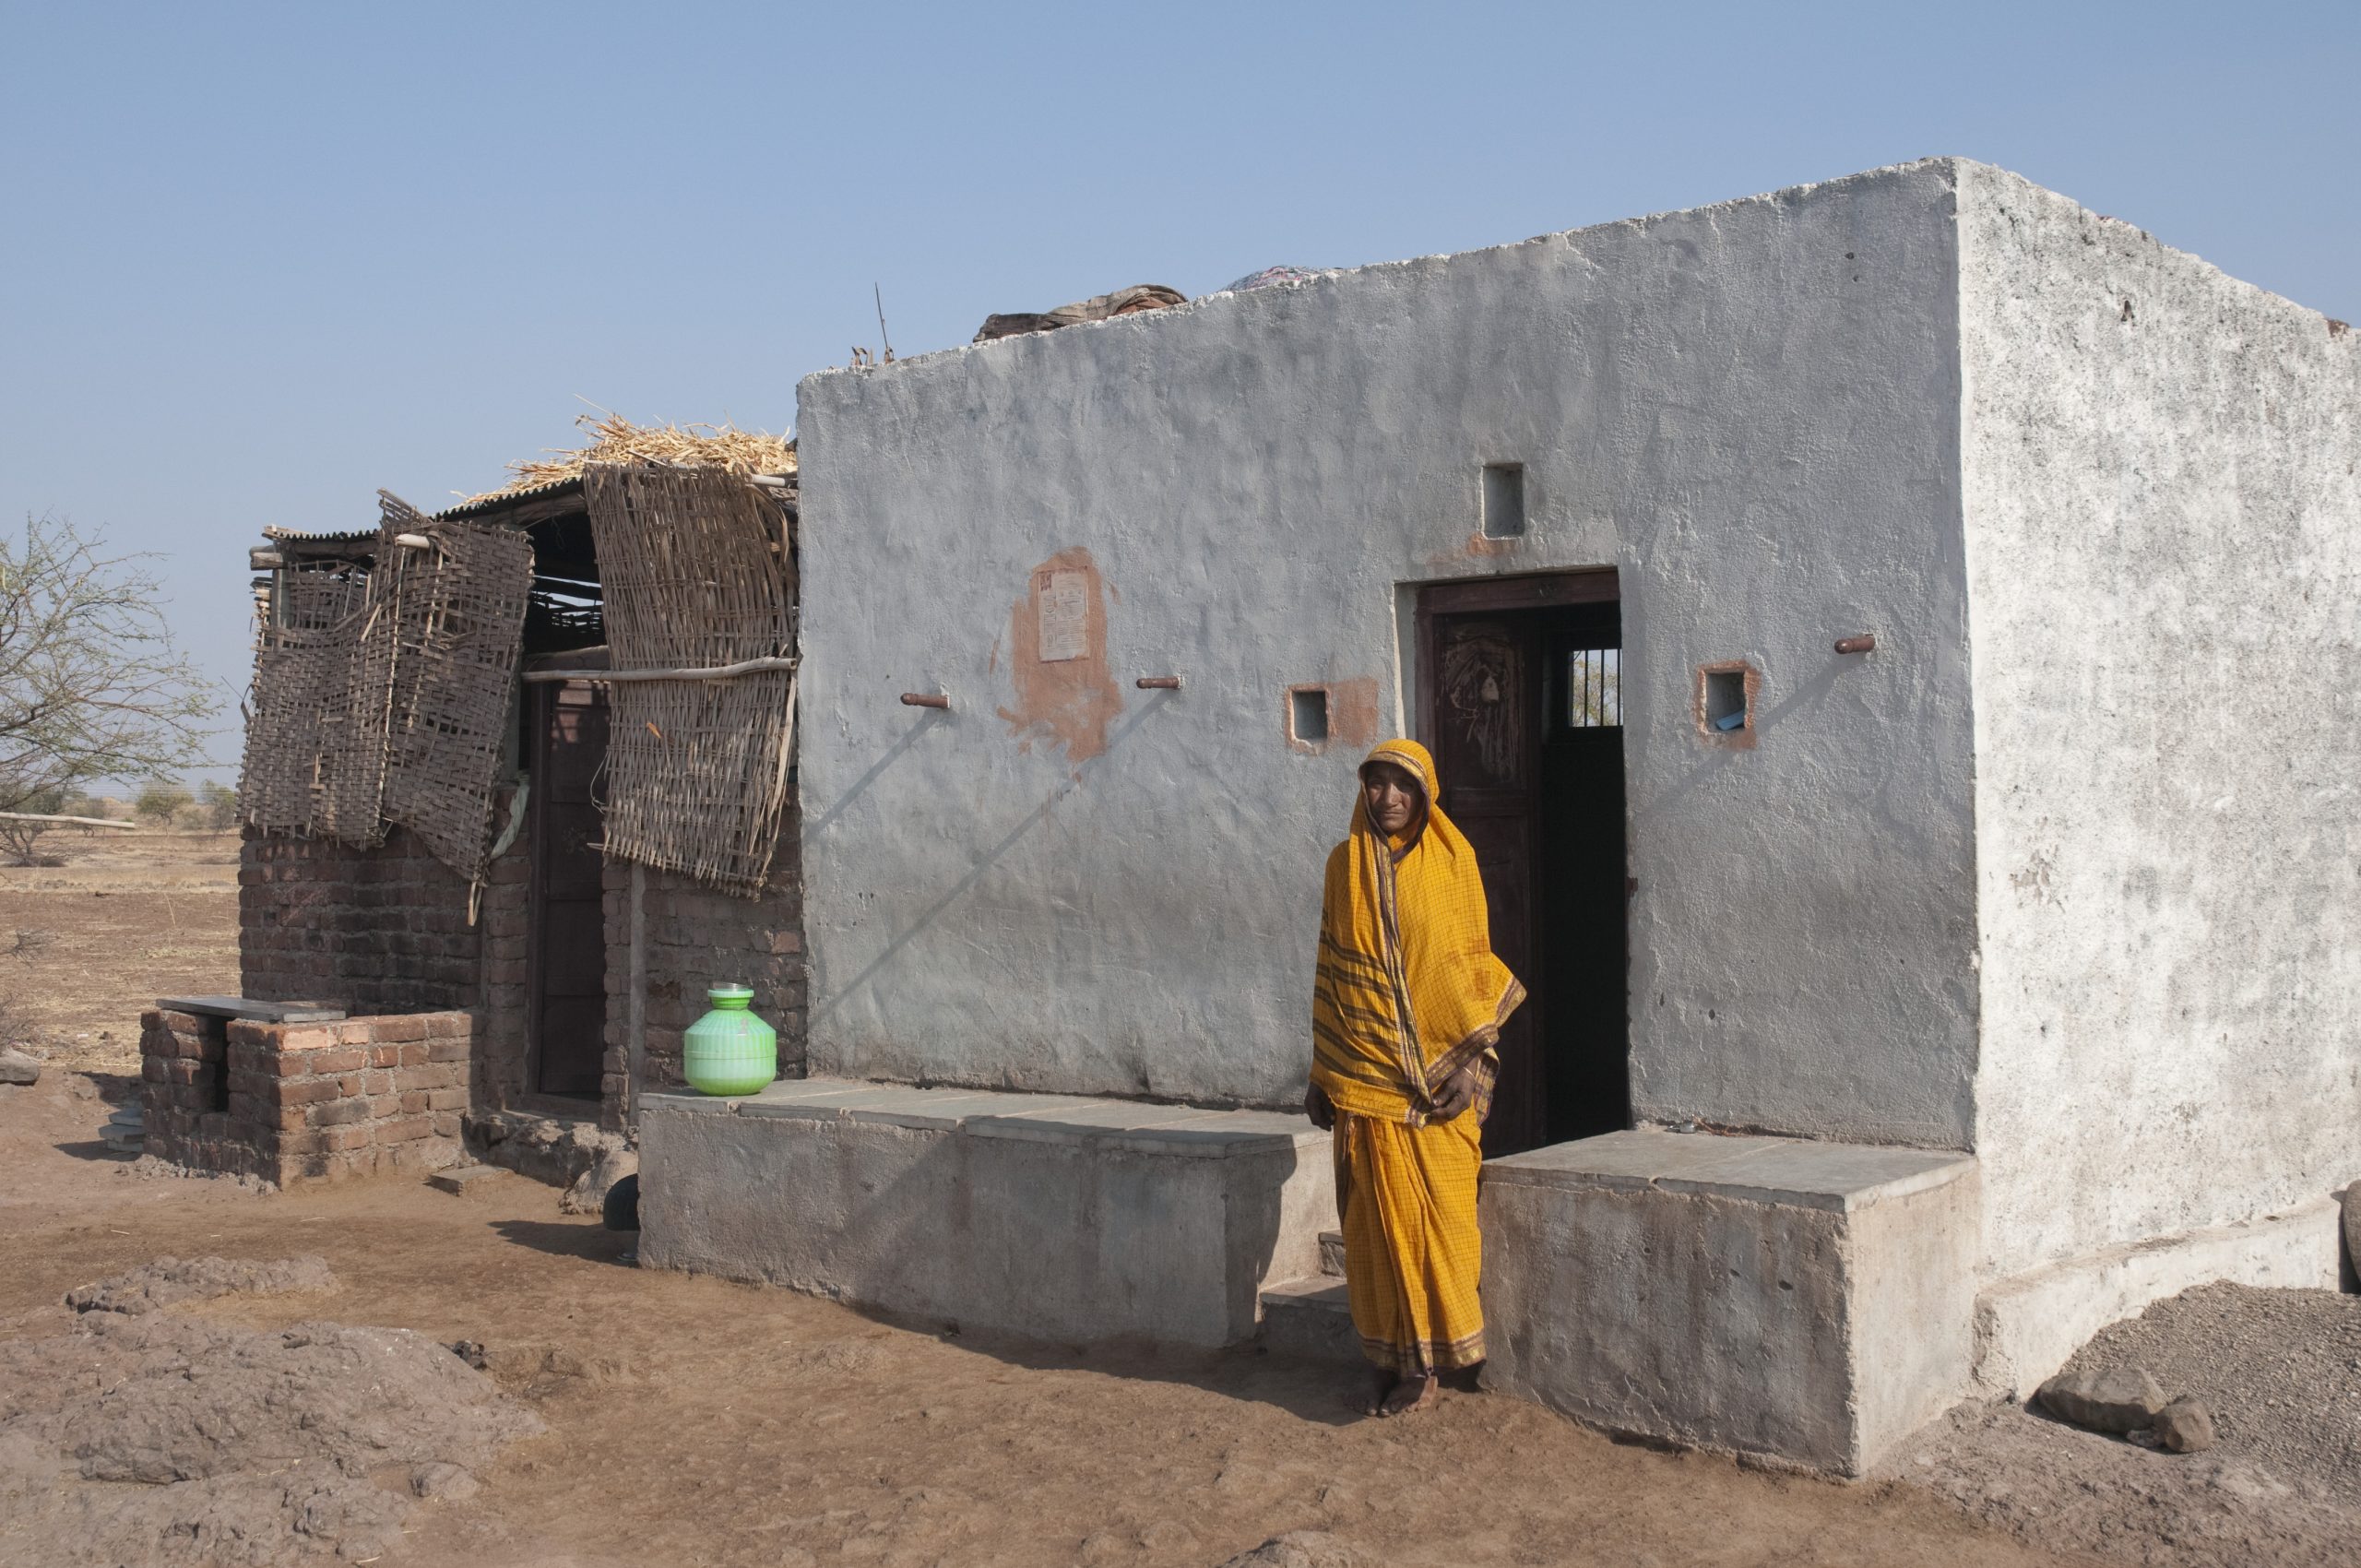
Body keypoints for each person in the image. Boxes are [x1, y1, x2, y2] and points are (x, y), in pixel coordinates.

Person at [1305, 738, 1525, 1417]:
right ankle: (1386, 1357)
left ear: (1425, 792)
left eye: (1403, 785)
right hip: (1363, 1085)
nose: (1389, 798)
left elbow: (1473, 965)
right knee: (1373, 1228)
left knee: (1440, 1225)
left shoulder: (1451, 865)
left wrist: (1480, 1060)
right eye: (1376, 783)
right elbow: (1332, 970)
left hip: (1438, 1085)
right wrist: (1323, 1071)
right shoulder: (1343, 868)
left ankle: (1428, 1365)